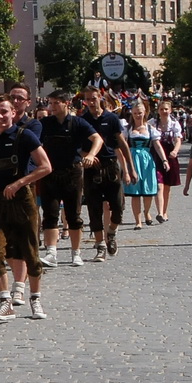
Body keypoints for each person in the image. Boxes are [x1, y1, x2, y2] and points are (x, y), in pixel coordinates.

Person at [0, 95, 50, 322]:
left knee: (30, 252)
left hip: (22, 199)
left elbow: (45, 166)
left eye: (4, 112)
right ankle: (5, 303)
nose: (0, 117)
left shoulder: (24, 135)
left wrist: (19, 183)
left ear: (13, 113)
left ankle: (35, 299)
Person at [35, 90, 100, 268]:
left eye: (56, 103)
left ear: (66, 103)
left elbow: (97, 139)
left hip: (73, 173)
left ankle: (76, 253)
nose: (52, 107)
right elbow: (34, 143)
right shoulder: (45, 123)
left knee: (74, 215)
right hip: (50, 174)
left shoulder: (78, 122)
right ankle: (51, 253)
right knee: (50, 214)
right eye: (50, 103)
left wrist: (91, 155)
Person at [80, 89, 134, 260]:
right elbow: (76, 146)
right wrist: (85, 156)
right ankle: (100, 246)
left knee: (118, 206)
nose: (91, 102)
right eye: (87, 99)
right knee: (94, 208)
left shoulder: (111, 118)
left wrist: (130, 168)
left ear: (100, 99)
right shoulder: (82, 120)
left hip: (111, 166)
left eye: (93, 99)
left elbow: (122, 144)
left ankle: (111, 233)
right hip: (92, 169)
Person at [122, 99, 165, 229]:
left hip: (146, 161)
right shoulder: (127, 129)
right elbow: (122, 146)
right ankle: (138, 221)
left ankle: (147, 212)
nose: (137, 115)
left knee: (147, 190)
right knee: (135, 192)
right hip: (133, 160)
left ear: (144, 112)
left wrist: (164, 160)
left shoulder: (150, 129)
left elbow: (157, 146)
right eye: (135, 113)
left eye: (139, 113)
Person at [154, 98, 182, 222]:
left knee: (167, 186)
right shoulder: (152, 123)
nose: (164, 111)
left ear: (170, 110)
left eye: (166, 109)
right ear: (158, 111)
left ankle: (165, 211)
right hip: (157, 155)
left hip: (170, 155)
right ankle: (159, 212)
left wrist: (175, 151)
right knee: (159, 185)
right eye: (162, 109)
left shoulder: (175, 124)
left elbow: (178, 140)